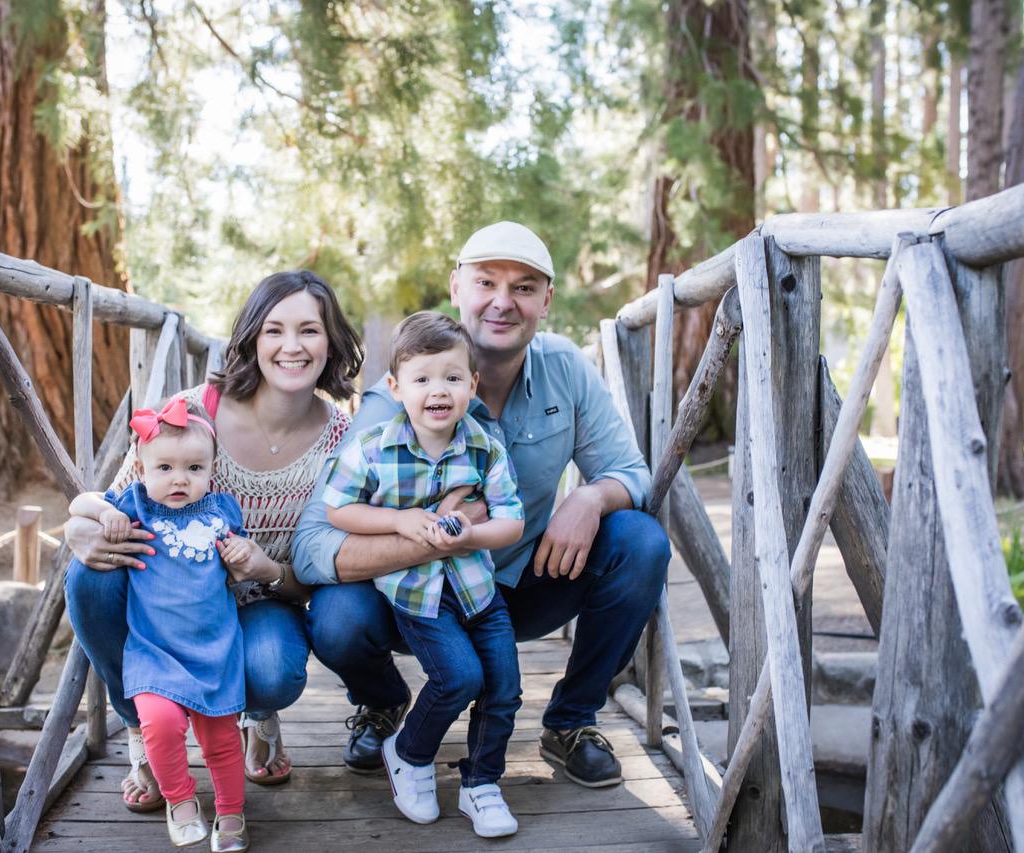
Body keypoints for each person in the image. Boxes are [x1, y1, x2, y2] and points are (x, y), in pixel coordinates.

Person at [293, 221, 670, 790]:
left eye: (524, 287)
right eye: (486, 282)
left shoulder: (565, 368)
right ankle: (382, 701)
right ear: (456, 288)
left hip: (520, 582)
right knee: (336, 616)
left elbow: (633, 474)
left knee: (639, 542)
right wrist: (433, 535)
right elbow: (311, 547)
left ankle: (571, 720)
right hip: (417, 602)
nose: (503, 301)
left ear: (547, 300)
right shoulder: (394, 398)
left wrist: (591, 496)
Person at [64, 270, 363, 812]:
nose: (292, 346)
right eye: (274, 330)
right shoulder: (192, 412)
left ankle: (257, 716)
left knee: (272, 669)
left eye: (309, 330)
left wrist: (266, 569)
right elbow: (117, 503)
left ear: (331, 341)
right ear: (251, 337)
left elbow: (319, 577)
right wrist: (78, 529)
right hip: (166, 599)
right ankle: (142, 730)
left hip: (264, 601)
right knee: (89, 578)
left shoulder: (343, 439)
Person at [323, 312, 524, 837]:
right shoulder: (374, 449)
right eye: (422, 379)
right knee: (459, 677)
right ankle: (409, 752)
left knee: (504, 688)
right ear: (395, 388)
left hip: (479, 592)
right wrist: (398, 521)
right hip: (418, 596)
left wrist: (472, 535)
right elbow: (338, 509)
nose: (439, 390)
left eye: (452, 378)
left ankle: (481, 783)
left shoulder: (484, 448)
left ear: (472, 385)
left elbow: (512, 520)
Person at [68, 398, 249, 849]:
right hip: (154, 652)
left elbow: (243, 557)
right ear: (142, 469)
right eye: (164, 468)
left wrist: (243, 554)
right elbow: (80, 502)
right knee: (160, 725)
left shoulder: (223, 511)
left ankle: (231, 811)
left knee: (221, 739)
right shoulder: (135, 506)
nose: (179, 479)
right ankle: (180, 800)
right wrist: (106, 513)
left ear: (212, 470)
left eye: (194, 468)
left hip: (213, 650)